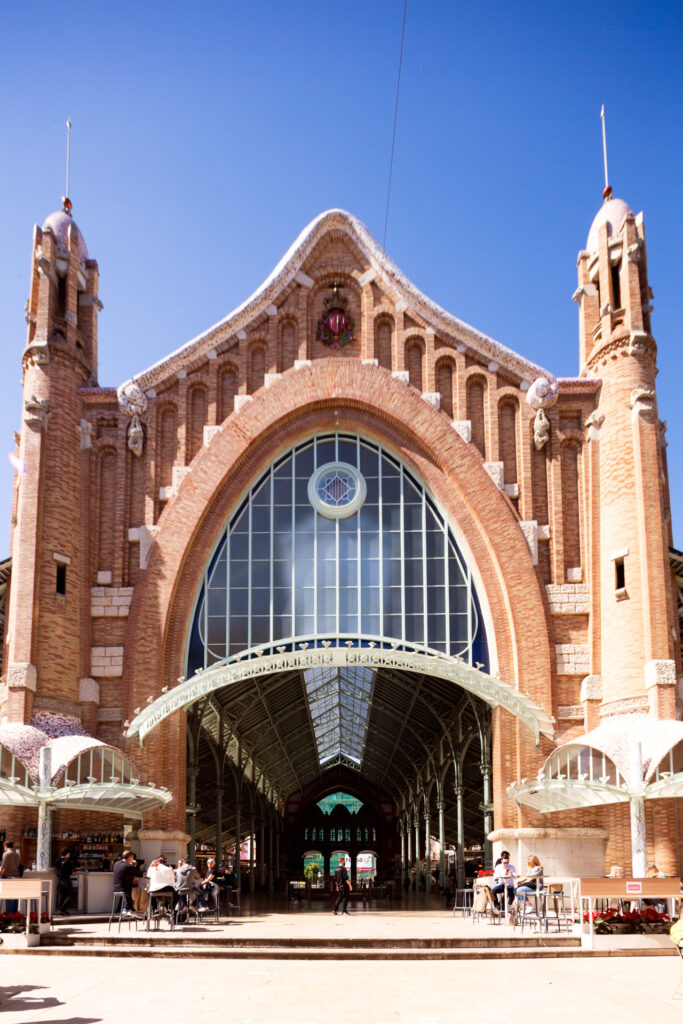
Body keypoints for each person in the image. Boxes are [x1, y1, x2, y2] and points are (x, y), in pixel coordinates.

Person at [112, 850, 141, 919]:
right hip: (125, 889)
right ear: (130, 857)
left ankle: (127, 909)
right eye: (132, 858)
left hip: (116, 889)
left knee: (128, 890)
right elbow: (139, 874)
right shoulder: (128, 866)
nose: (133, 859)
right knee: (130, 889)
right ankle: (128, 910)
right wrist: (134, 865)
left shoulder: (116, 863)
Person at [0, 840, 21, 912]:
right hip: (16, 876)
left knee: (9, 897)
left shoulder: (6, 854)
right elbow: (18, 865)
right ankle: (15, 916)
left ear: (5, 846)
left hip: (8, 877)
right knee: (15, 897)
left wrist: (1, 875)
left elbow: (4, 868)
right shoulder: (17, 854)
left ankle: (9, 916)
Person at [54, 847, 74, 915]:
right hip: (66, 880)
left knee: (61, 895)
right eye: (69, 853)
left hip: (59, 880)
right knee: (70, 895)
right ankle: (63, 908)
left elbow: (56, 871)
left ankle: (60, 910)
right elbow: (70, 872)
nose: (69, 854)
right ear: (67, 854)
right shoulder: (67, 862)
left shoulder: (57, 860)